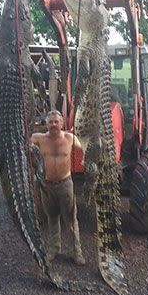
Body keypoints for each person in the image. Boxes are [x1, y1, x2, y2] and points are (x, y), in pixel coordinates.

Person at [31, 110, 86, 265]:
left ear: (62, 123)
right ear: (46, 124)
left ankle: (77, 252)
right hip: (46, 186)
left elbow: (86, 147)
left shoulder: (70, 138)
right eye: (51, 122)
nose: (54, 124)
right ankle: (54, 250)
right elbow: (24, 140)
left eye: (56, 121)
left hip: (65, 185)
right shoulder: (39, 139)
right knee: (52, 218)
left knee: (70, 220)